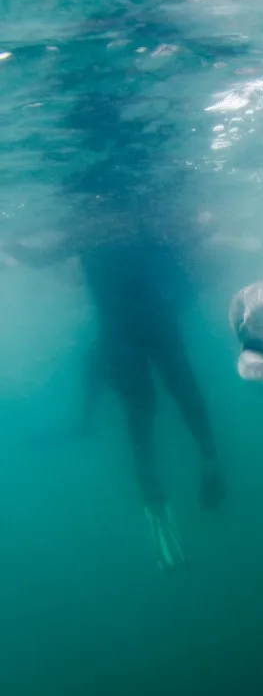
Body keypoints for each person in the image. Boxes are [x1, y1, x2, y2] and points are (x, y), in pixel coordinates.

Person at [4, 197, 226, 572]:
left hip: (120, 337)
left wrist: (10, 243)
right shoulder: (142, 222)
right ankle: (206, 463)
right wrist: (205, 223)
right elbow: (189, 240)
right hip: (157, 330)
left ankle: (155, 495)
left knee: (142, 413)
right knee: (182, 394)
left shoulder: (88, 231)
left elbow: (40, 258)